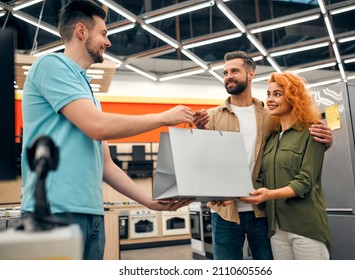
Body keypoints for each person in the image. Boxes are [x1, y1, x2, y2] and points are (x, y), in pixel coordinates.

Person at [21, 0, 194, 260]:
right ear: (81, 31)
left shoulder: (87, 91)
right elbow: (98, 126)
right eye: (103, 33)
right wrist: (162, 118)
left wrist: (148, 200)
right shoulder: (51, 66)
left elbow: (106, 165)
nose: (108, 42)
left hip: (90, 214)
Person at [193, 51, 332, 260]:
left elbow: (296, 147)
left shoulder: (270, 116)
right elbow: (204, 160)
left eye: (234, 71)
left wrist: (326, 141)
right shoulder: (211, 117)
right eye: (225, 73)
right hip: (226, 212)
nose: (228, 76)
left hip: (263, 212)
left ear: (250, 74)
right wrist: (199, 132)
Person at [240, 72, 331, 260]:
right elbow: (261, 178)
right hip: (276, 228)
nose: (270, 100)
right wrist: (235, 194)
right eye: (268, 94)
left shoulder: (311, 132)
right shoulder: (272, 139)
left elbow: (305, 181)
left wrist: (269, 195)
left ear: (293, 98)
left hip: (305, 227)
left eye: (277, 94)